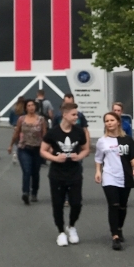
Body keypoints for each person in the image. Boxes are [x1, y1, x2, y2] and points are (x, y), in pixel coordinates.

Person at [40, 103, 90, 246]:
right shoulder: (53, 133)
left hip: (74, 173)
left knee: (76, 203)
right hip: (57, 174)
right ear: (65, 115)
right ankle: (61, 232)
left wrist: (79, 156)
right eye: (74, 114)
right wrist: (55, 158)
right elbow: (43, 150)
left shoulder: (79, 132)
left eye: (77, 114)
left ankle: (71, 226)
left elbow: (86, 149)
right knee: (58, 204)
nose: (76, 117)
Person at [95, 112, 134, 250]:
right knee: (113, 205)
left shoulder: (127, 140)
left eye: (112, 120)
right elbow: (98, 158)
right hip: (109, 176)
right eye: (106, 121)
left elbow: (133, 156)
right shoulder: (102, 141)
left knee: (122, 206)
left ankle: (119, 228)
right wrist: (98, 171)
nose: (109, 123)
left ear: (118, 122)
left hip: (125, 176)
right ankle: (114, 236)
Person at [8, 99, 48, 204]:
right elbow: (16, 132)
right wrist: (11, 145)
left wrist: (48, 148)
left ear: (35, 107)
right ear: (26, 108)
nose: (31, 107)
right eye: (29, 105)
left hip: (37, 149)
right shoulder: (21, 119)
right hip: (24, 148)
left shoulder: (41, 119)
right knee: (27, 171)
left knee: (35, 173)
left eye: (32, 105)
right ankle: (25, 192)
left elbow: (45, 135)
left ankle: (34, 192)